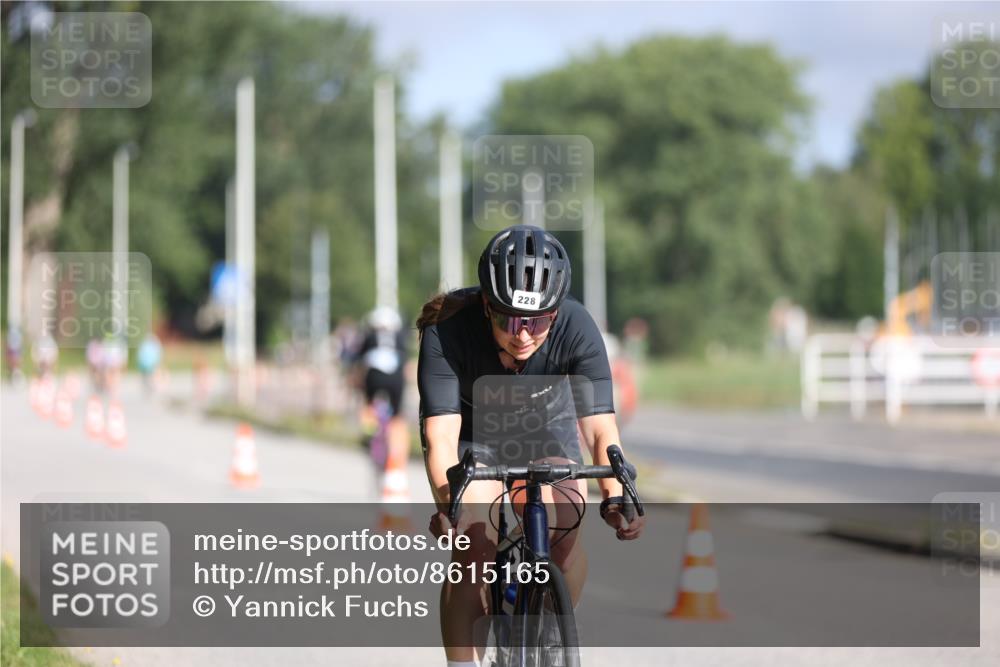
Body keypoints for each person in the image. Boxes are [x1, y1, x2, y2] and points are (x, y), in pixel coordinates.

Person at [416, 224, 645, 667]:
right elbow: (439, 437)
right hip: (473, 436)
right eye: (508, 319)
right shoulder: (448, 333)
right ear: (486, 305)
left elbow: (600, 430)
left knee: (564, 529)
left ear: (557, 314)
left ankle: (549, 627)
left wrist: (616, 497)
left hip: (544, 429)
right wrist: (450, 504)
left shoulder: (578, 326)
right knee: (474, 544)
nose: (523, 335)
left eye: (537, 321)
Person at [352, 305, 410, 472]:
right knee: (397, 415)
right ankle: (398, 447)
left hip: (374, 376)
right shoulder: (399, 336)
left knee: (369, 404)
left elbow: (359, 361)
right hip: (395, 378)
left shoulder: (369, 336)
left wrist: (356, 381)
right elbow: (404, 360)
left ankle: (368, 434)